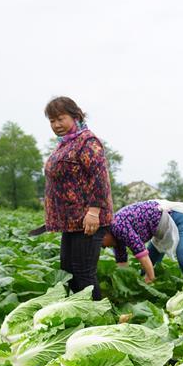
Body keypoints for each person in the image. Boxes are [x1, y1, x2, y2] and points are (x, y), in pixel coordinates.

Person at [43, 97, 113, 299]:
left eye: (60, 119)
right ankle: (80, 312)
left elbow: (99, 178)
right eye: (52, 121)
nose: (56, 125)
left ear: (76, 116)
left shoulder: (87, 142)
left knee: (83, 273)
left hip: (87, 219)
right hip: (70, 221)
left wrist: (94, 212)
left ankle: (100, 315)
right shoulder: (65, 144)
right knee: (68, 272)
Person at [103, 200, 183, 282]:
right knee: (145, 269)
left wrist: (150, 278)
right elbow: (122, 263)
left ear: (104, 235)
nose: (104, 247)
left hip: (179, 218)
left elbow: (141, 252)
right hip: (161, 227)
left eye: (101, 244)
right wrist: (122, 282)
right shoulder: (116, 239)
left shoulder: (118, 226)